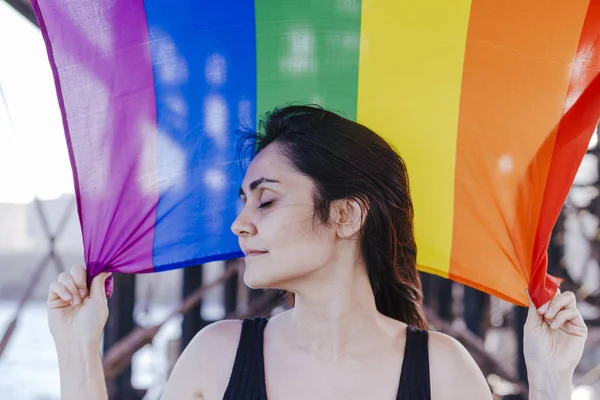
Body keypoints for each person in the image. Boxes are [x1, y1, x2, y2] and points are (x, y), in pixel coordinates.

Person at [47, 105, 587, 400]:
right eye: (243, 202)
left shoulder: (442, 370)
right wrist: (78, 350)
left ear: (346, 215)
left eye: (267, 200)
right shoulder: (217, 355)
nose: (240, 224)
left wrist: (549, 382)